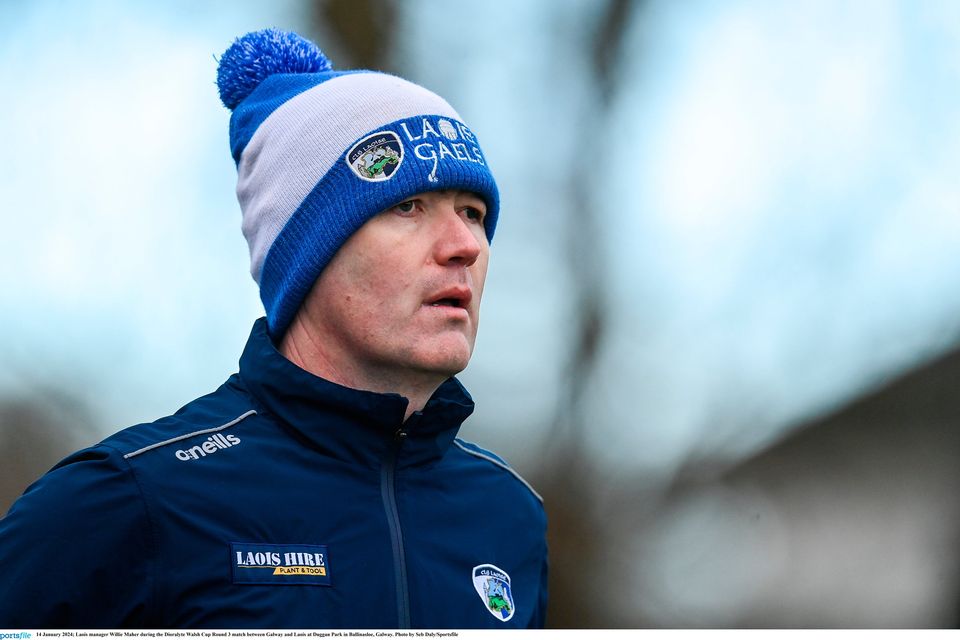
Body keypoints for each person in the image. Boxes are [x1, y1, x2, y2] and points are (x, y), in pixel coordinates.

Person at [0, 29, 548, 629]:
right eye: (407, 207)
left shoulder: (509, 514)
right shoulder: (128, 500)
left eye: (473, 212)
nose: (466, 246)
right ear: (308, 251)